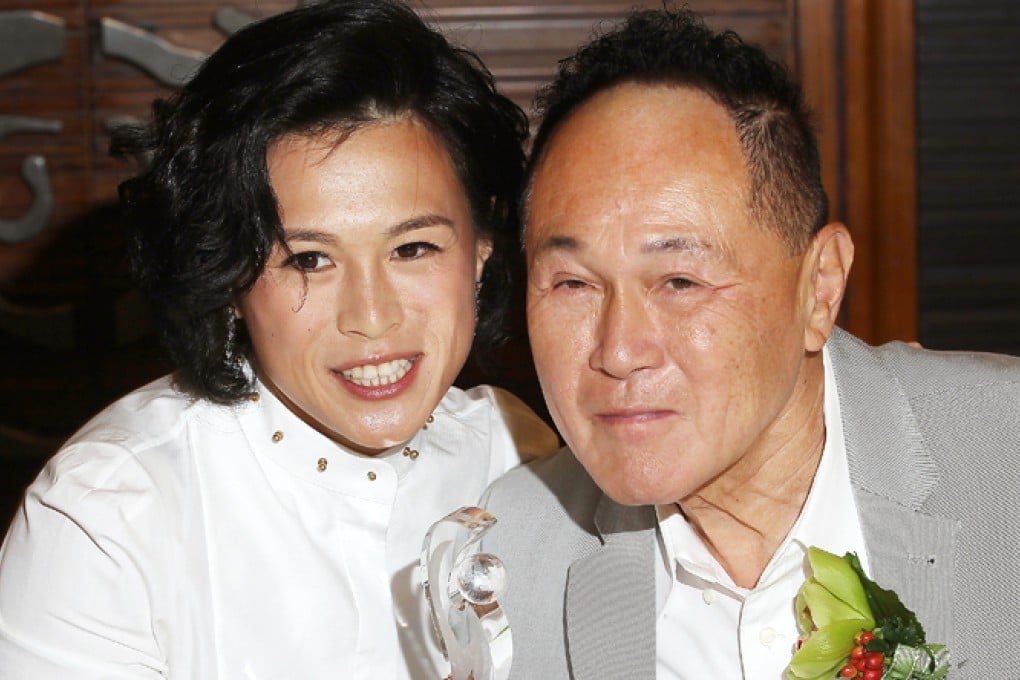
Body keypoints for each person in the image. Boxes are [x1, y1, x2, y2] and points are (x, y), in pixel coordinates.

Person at [0, 1, 558, 678]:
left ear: (480, 253)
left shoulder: (518, 455)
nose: (372, 318)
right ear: (230, 274)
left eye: (413, 247)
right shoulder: (110, 515)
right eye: (309, 260)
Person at [480, 7, 1020, 680]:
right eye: (571, 284)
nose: (619, 351)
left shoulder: (1005, 456)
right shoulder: (510, 556)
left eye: (679, 280)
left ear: (818, 288)